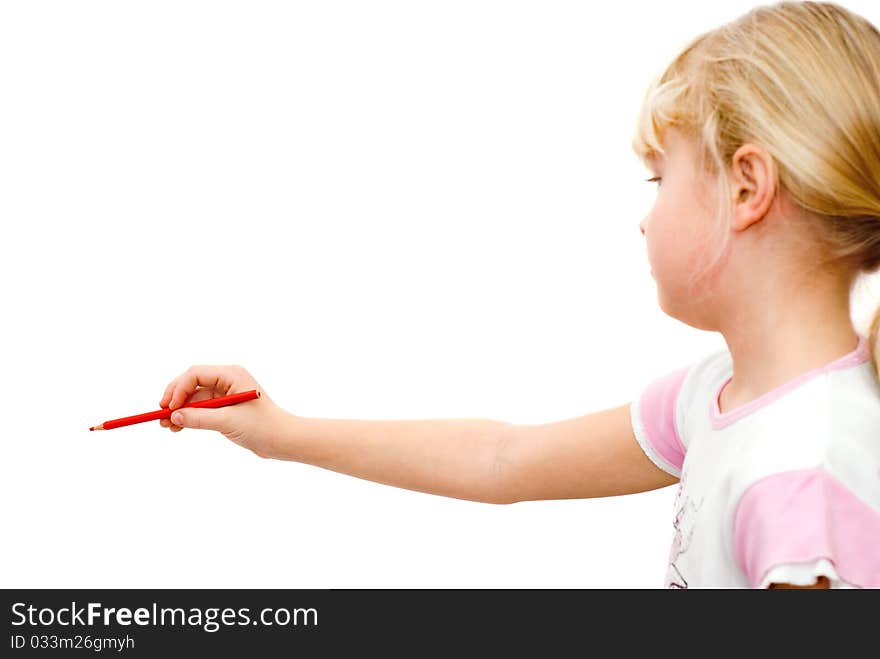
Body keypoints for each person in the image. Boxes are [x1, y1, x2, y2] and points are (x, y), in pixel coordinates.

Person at [158, 1, 880, 589]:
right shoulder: (717, 395)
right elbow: (504, 458)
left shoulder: (799, 472)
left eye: (661, 177)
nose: (644, 215)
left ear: (747, 188)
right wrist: (280, 430)